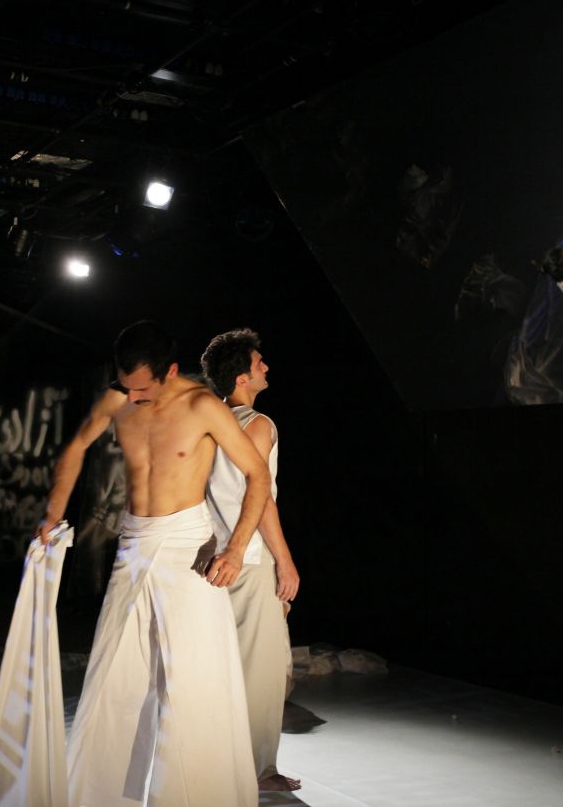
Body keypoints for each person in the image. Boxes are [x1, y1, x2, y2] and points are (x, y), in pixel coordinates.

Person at [38, 320, 271, 807]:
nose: (133, 396)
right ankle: (103, 796)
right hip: (133, 545)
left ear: (170, 371)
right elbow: (75, 447)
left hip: (188, 548)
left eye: (142, 387)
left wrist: (234, 550)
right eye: (126, 385)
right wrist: (52, 515)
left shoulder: (203, 406)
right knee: (114, 673)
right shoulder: (117, 398)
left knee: (191, 679)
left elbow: (256, 474)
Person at [200, 328, 301, 793]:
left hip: (209, 555)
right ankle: (260, 770)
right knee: (260, 668)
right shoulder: (257, 424)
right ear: (241, 377)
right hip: (247, 555)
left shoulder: (208, 423)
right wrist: (285, 560)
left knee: (219, 663)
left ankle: (220, 761)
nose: (266, 367)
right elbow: (260, 498)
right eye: (259, 363)